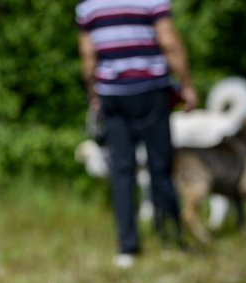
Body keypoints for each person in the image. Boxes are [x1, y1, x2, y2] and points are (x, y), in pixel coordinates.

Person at [76, 0, 198, 268]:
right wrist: (186, 84)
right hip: (151, 89)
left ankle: (127, 247)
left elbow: (88, 54)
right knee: (160, 165)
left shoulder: (89, 6)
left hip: (113, 94)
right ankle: (171, 239)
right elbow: (169, 42)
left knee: (122, 170)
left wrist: (93, 91)